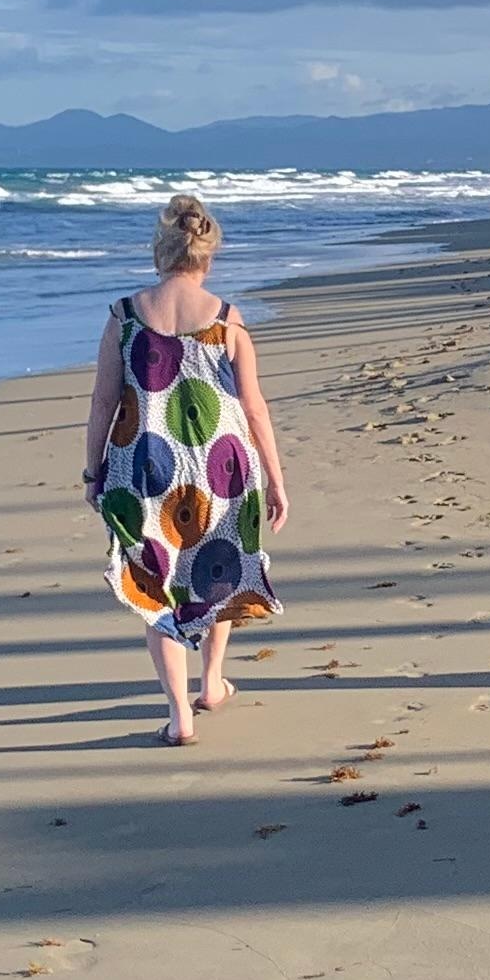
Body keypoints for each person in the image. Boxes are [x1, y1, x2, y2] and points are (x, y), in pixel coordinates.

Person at [82, 193, 289, 743]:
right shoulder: (226, 320)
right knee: (217, 572)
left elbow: (103, 402)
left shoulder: (125, 316)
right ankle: (212, 682)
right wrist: (275, 479)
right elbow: (254, 408)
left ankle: (180, 715)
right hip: (223, 468)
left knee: (158, 586)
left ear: (160, 251)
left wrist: (92, 472)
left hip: (144, 468)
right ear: (207, 257)